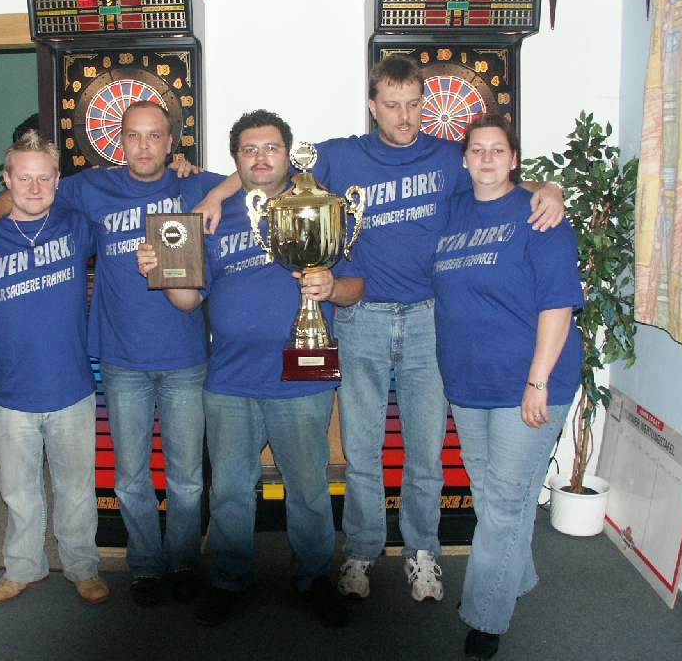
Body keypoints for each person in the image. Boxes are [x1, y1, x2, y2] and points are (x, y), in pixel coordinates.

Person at [194, 56, 564, 604]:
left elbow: (496, 173)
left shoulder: (448, 155)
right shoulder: (342, 155)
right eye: (392, 105)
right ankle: (362, 550)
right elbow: (268, 165)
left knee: (425, 452)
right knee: (362, 449)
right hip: (361, 317)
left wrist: (547, 187)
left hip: (430, 319)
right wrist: (216, 194)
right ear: (373, 106)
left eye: (413, 105)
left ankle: (422, 552)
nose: (404, 116)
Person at [0, 100, 223, 607]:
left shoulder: (190, 186)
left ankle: (183, 562)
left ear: (171, 143)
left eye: (155, 136)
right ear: (119, 141)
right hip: (121, 361)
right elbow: (27, 188)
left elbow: (244, 179)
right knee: (130, 478)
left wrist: (208, 184)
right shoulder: (89, 189)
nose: (144, 145)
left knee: (188, 479)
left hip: (185, 359)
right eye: (134, 135)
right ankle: (144, 567)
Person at [138, 109, 363, 628]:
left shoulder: (319, 206)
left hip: (303, 375)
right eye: (249, 150)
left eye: (271, 148)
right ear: (235, 160)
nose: (260, 158)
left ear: (288, 155)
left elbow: (357, 286)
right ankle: (228, 580)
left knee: (308, 489)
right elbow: (188, 301)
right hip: (230, 380)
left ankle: (314, 579)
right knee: (230, 491)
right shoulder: (213, 219)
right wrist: (162, 272)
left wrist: (332, 287)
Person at [430, 114, 582, 660]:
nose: (487, 158)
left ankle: (485, 616)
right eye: (478, 150)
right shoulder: (451, 210)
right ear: (465, 159)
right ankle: (513, 577)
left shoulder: (541, 216)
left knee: (504, 504)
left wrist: (537, 381)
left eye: (498, 150)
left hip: (532, 383)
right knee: (492, 493)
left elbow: (558, 305)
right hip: (469, 381)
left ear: (515, 160)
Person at [0, 131, 108, 607]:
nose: (33, 188)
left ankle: (82, 567)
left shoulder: (78, 225)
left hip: (70, 387)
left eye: (43, 178)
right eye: (24, 178)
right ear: (7, 181)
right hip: (8, 391)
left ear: (57, 180)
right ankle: (23, 568)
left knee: (76, 489)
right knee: (18, 492)